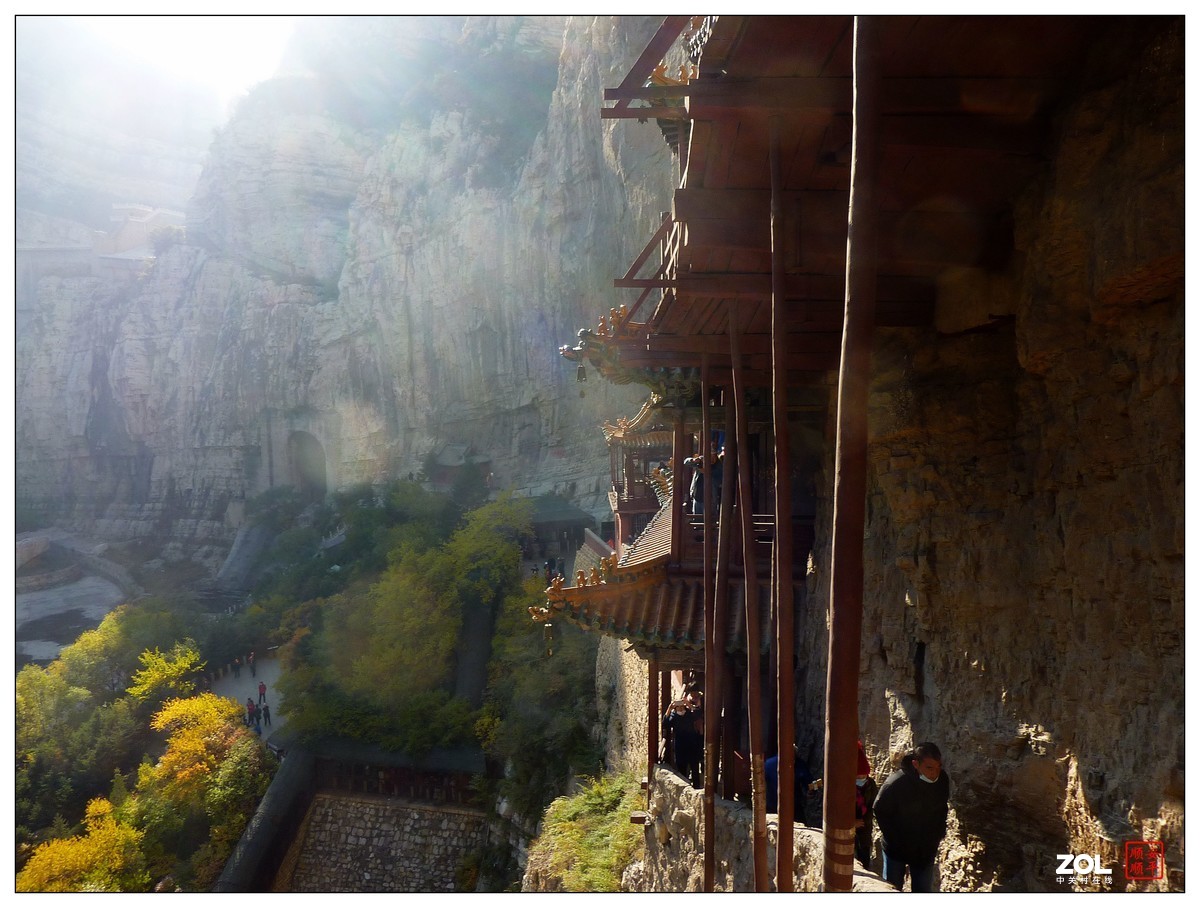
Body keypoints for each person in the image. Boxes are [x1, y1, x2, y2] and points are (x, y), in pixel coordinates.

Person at [873, 742, 951, 892]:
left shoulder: (942, 780)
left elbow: (942, 808)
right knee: (891, 889)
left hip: (925, 850)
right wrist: (895, 839)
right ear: (916, 764)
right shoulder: (896, 783)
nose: (935, 773)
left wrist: (938, 835)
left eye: (938, 767)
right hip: (896, 850)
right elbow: (880, 810)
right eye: (929, 768)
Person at [764, 746, 821, 821]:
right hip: (784, 807)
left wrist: (812, 790)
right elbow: (810, 784)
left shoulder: (768, 764)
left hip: (786, 807)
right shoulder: (769, 765)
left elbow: (810, 783)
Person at [663, 689, 704, 787]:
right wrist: (669, 708)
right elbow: (665, 724)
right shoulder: (673, 716)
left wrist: (688, 704)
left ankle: (697, 786)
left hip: (692, 743)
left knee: (694, 766)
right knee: (681, 767)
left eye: (682, 706)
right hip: (680, 745)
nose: (681, 709)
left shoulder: (689, 713)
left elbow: (698, 714)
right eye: (678, 707)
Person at [855, 740, 879, 869]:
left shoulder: (870, 785)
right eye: (858, 777)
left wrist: (864, 821)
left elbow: (872, 806)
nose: (861, 779)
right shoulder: (844, 786)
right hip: (849, 828)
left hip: (864, 828)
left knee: (864, 857)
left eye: (864, 776)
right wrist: (851, 823)